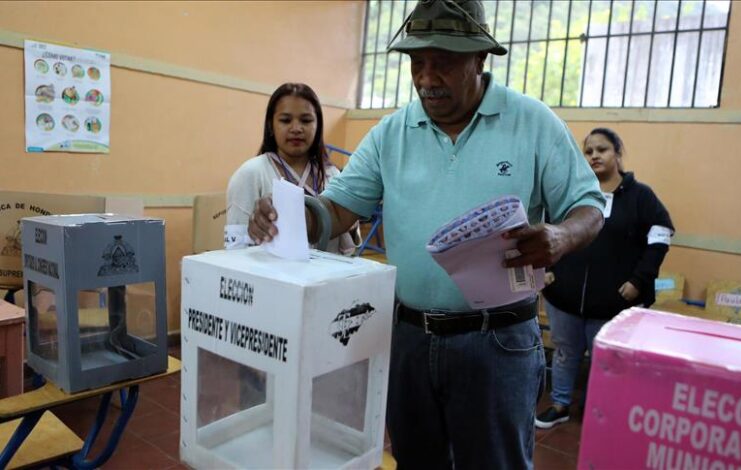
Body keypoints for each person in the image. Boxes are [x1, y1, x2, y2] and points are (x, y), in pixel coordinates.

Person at [249, 1, 605, 468]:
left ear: (480, 59)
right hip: (410, 337)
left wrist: (560, 236)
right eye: (417, 64)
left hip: (498, 342)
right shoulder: (392, 133)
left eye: (444, 62)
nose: (426, 78)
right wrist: (291, 217)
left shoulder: (532, 123)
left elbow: (590, 207)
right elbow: (337, 209)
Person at [537, 128, 675, 430]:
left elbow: (662, 235)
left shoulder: (641, 196)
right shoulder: (573, 193)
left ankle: (596, 409)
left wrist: (639, 280)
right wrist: (543, 270)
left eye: (602, 149)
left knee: (607, 360)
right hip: (565, 296)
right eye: (588, 151)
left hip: (614, 300)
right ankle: (560, 404)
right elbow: (546, 230)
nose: (595, 156)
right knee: (564, 353)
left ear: (618, 154)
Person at [225, 82, 358, 254]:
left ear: (317, 126)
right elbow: (236, 251)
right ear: (270, 126)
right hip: (270, 279)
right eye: (285, 120)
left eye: (306, 120)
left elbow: (347, 247)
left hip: (325, 278)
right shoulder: (250, 174)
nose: (296, 129)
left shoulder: (333, 175)